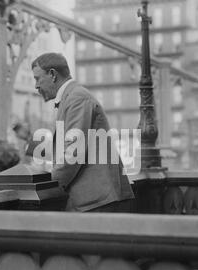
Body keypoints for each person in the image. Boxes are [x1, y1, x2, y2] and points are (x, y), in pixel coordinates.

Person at [31, 52, 135, 212]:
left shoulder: (76, 99)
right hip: (95, 199)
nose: (36, 86)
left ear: (52, 74)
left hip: (98, 201)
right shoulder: (72, 97)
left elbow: (72, 154)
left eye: (37, 78)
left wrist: (48, 185)